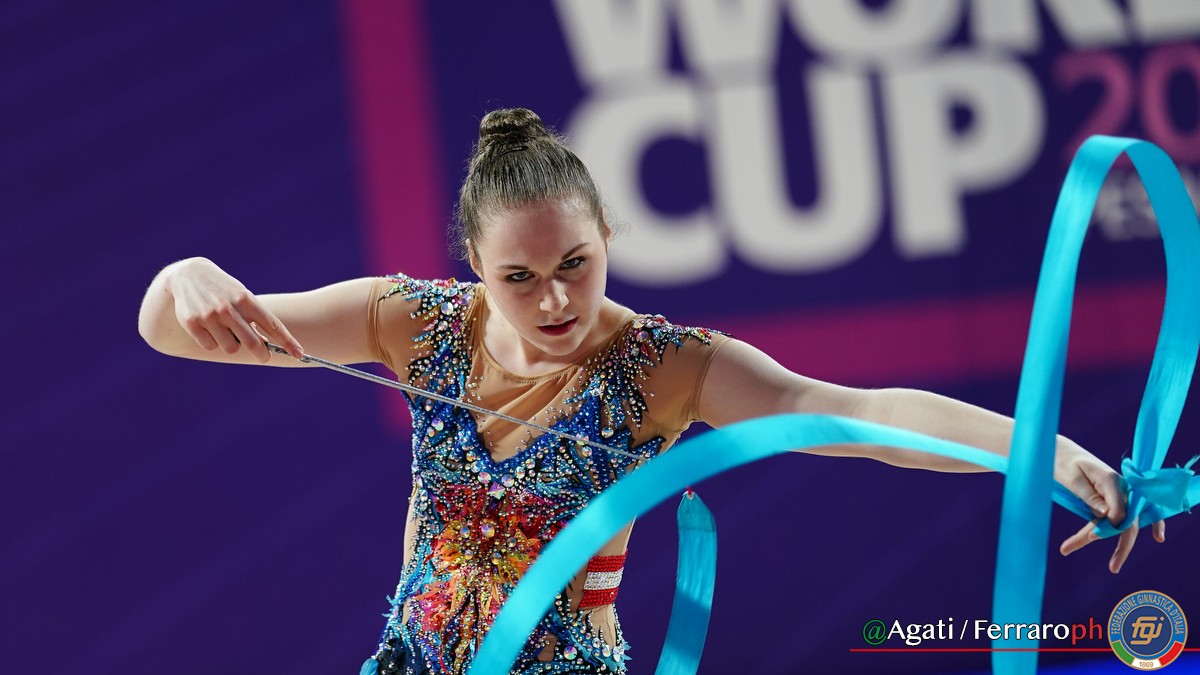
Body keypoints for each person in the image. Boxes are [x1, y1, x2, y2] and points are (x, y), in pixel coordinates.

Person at [138, 108, 1163, 675]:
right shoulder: (412, 323)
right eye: (519, 277)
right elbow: (171, 332)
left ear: (608, 236)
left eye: (575, 264)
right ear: (474, 266)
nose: (555, 300)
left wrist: (1047, 452)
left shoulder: (663, 366)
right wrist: (183, 275)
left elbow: (857, 415)